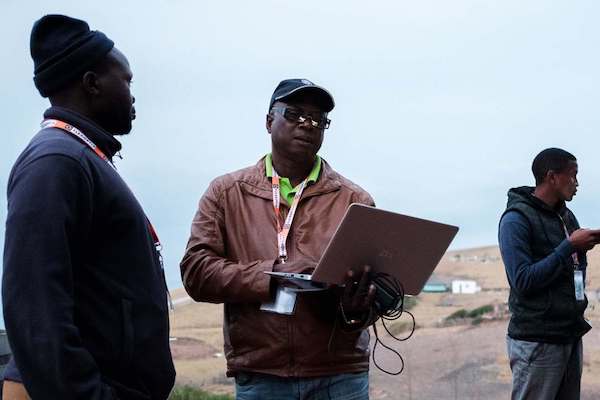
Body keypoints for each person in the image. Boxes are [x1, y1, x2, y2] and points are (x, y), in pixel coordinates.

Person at [2, 15, 175, 399]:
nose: (132, 94)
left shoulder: (82, 158)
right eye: (126, 80)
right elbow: (34, 307)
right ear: (92, 84)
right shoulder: (56, 162)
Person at [181, 79, 376, 400]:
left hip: (339, 375)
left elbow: (369, 293)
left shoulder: (355, 200)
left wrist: (358, 308)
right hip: (261, 373)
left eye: (317, 120)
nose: (307, 125)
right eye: (295, 114)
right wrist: (272, 274)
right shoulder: (226, 192)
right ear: (269, 121)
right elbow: (196, 273)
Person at [498, 148, 598, 400]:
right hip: (537, 341)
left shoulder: (566, 216)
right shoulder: (515, 220)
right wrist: (570, 247)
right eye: (573, 175)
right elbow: (523, 280)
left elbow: (571, 266)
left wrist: (580, 248)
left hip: (569, 333)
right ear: (552, 177)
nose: (577, 183)